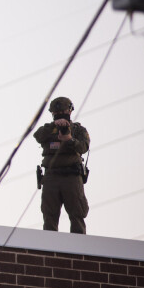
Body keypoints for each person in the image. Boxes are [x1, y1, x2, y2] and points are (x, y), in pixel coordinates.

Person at [33, 96, 90, 234]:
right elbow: (37, 135)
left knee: (77, 214)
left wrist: (70, 140)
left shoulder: (78, 130)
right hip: (51, 177)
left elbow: (84, 147)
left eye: (63, 111)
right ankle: (50, 249)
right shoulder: (47, 130)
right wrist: (54, 126)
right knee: (49, 215)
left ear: (70, 111)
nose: (59, 114)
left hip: (71, 177)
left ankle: (79, 248)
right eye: (56, 113)